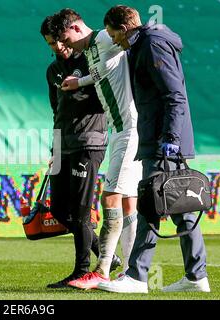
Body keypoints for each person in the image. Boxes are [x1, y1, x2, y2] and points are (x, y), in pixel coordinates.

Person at [97, 5, 210, 293]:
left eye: (113, 34)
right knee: (182, 209)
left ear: (123, 28)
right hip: (160, 138)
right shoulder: (143, 45)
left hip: (164, 142)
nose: (113, 40)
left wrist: (170, 138)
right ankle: (196, 277)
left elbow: (174, 94)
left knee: (150, 204)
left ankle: (136, 276)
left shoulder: (152, 45)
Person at [49, 8, 141, 289]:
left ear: (77, 28)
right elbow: (104, 72)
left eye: (65, 39)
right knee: (126, 201)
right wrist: (81, 81)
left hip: (126, 130)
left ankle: (103, 270)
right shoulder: (88, 52)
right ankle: (130, 272)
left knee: (110, 198)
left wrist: (156, 33)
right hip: (119, 131)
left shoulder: (103, 38)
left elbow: (137, 35)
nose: (64, 46)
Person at [40, 15, 121, 289]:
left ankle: (81, 271)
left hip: (90, 141)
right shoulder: (52, 72)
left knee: (81, 211)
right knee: (60, 210)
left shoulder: (89, 61)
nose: (58, 47)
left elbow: (104, 99)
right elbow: (57, 112)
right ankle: (106, 253)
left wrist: (80, 85)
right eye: (52, 43)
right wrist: (55, 148)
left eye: (60, 41)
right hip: (64, 144)